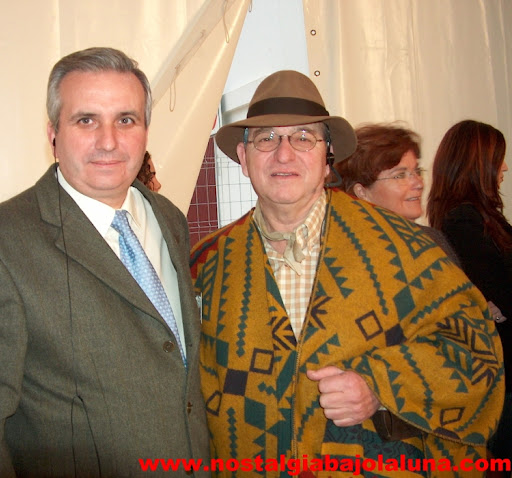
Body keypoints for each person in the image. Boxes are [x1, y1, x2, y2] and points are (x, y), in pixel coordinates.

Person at [190, 71, 504, 476]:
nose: (284, 154)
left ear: (328, 156)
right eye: (266, 138)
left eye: (304, 137)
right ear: (244, 157)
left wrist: (380, 385)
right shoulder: (207, 264)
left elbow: (475, 351)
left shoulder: (406, 251)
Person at [0, 47, 209, 477]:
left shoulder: (169, 219)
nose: (108, 141)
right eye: (86, 120)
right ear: (53, 135)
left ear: (145, 131)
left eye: (126, 120)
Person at [428, 119, 512, 476]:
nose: (504, 167)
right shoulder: (464, 220)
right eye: (497, 159)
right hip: (502, 375)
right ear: (477, 164)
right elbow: (496, 296)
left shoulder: (481, 217)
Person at [337, 122, 461, 264]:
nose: (419, 184)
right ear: (362, 192)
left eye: (417, 171)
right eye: (400, 176)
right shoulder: (354, 253)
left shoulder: (434, 240)